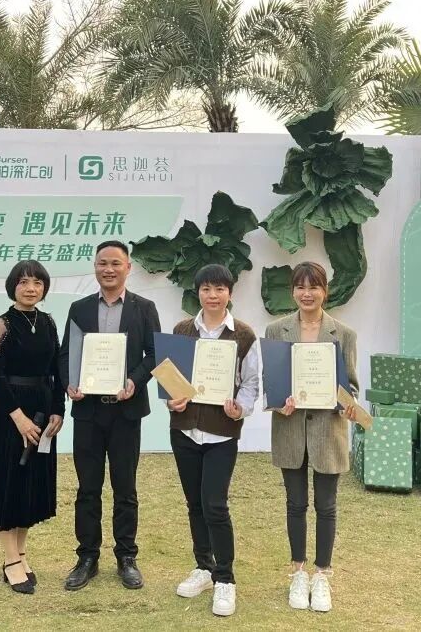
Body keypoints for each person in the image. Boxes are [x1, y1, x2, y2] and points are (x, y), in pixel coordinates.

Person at [59, 240, 161, 591]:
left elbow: (154, 354)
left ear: (128, 268)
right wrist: (70, 382)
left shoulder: (144, 308)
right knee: (88, 488)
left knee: (125, 488)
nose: (109, 269)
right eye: (103, 263)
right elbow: (67, 354)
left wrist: (134, 380)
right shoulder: (80, 308)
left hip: (126, 412)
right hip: (88, 412)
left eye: (116, 263)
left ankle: (126, 557)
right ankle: (87, 557)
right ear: (95, 267)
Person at [263, 261, 359, 614]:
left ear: (324, 291)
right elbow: (271, 385)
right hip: (290, 430)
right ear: (293, 292)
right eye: (301, 287)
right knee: (295, 504)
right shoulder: (276, 330)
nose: (307, 294)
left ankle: (321, 575)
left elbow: (351, 386)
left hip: (327, 432)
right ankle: (298, 572)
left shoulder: (343, 334)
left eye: (314, 287)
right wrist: (279, 403)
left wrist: (347, 404)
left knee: (326, 506)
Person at [167, 264, 260, 618]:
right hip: (185, 430)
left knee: (215, 506)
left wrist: (240, 409)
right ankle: (203, 567)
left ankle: (225, 578)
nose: (213, 295)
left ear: (230, 293)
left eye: (220, 289)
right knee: (194, 504)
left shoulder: (244, 335)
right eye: (206, 289)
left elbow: (250, 383)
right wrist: (172, 400)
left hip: (221, 433)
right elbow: (172, 378)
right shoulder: (182, 330)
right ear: (198, 293)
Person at [0, 260, 65, 595]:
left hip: (43, 410)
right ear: (13, 286)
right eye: (24, 282)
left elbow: (57, 370)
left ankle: (22, 554)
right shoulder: (0, 325)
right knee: (9, 482)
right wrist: (19, 417)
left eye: (38, 282)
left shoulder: (48, 322)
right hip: (9, 413)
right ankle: (10, 560)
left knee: (31, 484)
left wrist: (58, 410)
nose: (31, 288)